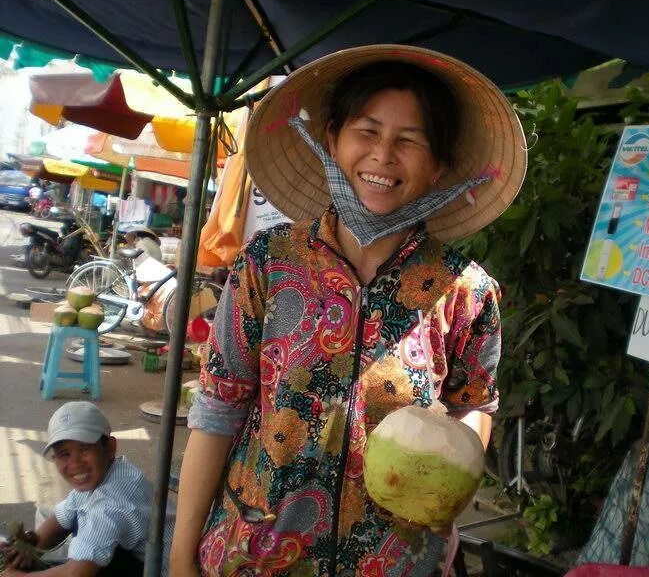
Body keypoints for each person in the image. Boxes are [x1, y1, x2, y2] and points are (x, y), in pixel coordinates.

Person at [170, 45, 527, 576]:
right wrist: (180, 559)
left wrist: (446, 485)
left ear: (439, 168)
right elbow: (219, 408)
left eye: (411, 140)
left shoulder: (465, 290)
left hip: (393, 559)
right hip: (256, 552)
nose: (384, 155)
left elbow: (472, 405)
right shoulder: (268, 264)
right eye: (368, 131)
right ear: (332, 138)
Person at [0, 402, 172, 577]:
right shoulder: (108, 473)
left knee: (90, 556)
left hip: (165, 571)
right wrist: (32, 543)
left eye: (84, 449)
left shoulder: (109, 504)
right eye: (64, 454)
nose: (75, 464)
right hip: (141, 560)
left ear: (110, 448)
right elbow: (62, 518)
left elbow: (77, 574)